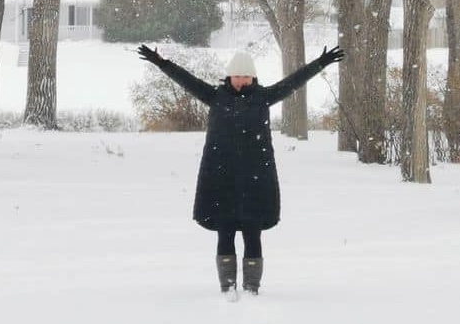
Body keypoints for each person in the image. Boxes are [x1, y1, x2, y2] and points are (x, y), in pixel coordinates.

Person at [138, 43, 344, 296]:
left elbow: (293, 82)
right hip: (221, 176)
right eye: (237, 75)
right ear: (229, 76)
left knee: (252, 234)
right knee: (224, 233)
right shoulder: (215, 96)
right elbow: (186, 80)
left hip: (255, 179)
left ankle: (251, 287)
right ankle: (227, 287)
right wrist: (161, 63)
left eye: (246, 76)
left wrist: (320, 63)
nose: (241, 80)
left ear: (253, 77)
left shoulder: (263, 97)